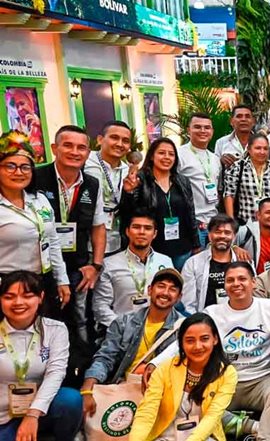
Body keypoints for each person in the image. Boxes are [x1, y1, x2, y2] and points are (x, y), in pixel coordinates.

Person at [149, 262, 270, 441]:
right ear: (224, 285)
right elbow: (184, 341)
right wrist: (154, 363)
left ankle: (264, 438)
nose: (236, 284)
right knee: (191, 398)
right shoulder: (212, 313)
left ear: (253, 282)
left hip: (262, 380)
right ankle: (250, 427)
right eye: (230, 280)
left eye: (242, 279)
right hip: (224, 380)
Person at [31, 125, 107, 375]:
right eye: (68, 145)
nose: (75, 152)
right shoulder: (35, 178)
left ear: (88, 152)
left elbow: (98, 227)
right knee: (43, 318)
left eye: (81, 147)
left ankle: (79, 369)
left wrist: (95, 265)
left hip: (78, 265)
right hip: (40, 266)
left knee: (80, 319)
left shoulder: (92, 184)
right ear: (55, 148)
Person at [82, 268, 185, 415]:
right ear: (150, 290)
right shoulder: (124, 322)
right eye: (161, 286)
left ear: (179, 297)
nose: (165, 293)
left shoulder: (184, 328)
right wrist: (88, 387)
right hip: (123, 389)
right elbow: (105, 357)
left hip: (162, 394)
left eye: (172, 289)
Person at [129, 313, 238, 441]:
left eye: (204, 339)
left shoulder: (227, 373)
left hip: (203, 437)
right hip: (164, 437)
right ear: (181, 343)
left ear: (215, 339)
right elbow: (147, 411)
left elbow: (212, 417)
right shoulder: (165, 369)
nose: (198, 346)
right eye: (190, 340)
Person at [0, 271, 82, 441]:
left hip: (42, 409)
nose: (18, 302)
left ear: (40, 297)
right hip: (3, 415)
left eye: (27, 296)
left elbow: (55, 373)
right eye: (9, 297)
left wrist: (33, 414)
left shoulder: (55, 329)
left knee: (70, 399)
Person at [0, 130, 70, 316]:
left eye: (25, 167)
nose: (18, 172)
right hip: (8, 287)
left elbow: (52, 242)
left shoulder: (39, 200)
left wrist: (61, 280)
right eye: (10, 166)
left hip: (42, 281)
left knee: (46, 329)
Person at [120, 138, 199, 271]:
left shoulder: (182, 181)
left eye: (171, 154)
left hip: (182, 248)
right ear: (152, 156)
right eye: (162, 153)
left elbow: (190, 213)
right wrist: (128, 192)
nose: (167, 157)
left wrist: (196, 244)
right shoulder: (140, 180)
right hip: (153, 248)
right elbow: (127, 213)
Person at [93, 213, 174, 329]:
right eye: (136, 227)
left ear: (154, 234)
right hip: (121, 329)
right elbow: (100, 306)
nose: (141, 232)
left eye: (147, 228)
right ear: (127, 231)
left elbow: (172, 300)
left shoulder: (165, 262)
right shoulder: (110, 264)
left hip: (158, 329)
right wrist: (122, 328)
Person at [181, 214, 247, 313]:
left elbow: (251, 294)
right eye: (218, 232)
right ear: (209, 235)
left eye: (227, 232)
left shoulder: (244, 261)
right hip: (205, 318)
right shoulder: (193, 263)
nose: (222, 236)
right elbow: (187, 304)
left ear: (234, 236)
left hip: (238, 316)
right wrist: (198, 321)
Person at [84, 120, 132, 256]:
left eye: (125, 141)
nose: (120, 144)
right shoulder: (85, 162)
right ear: (100, 139)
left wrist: (129, 192)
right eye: (114, 138)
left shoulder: (126, 170)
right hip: (85, 242)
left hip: (116, 240)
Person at [223, 133, 270, 227]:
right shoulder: (237, 168)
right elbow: (229, 195)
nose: (262, 152)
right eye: (258, 148)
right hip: (245, 222)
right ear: (249, 149)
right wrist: (231, 221)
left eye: (265, 149)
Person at [177, 113, 220, 249]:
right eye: (197, 127)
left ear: (212, 131)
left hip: (213, 223)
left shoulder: (215, 158)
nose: (202, 131)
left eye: (207, 127)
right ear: (188, 130)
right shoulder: (178, 155)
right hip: (193, 224)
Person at [234, 198, 270, 275]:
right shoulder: (244, 232)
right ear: (258, 215)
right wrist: (234, 248)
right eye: (268, 212)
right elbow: (220, 247)